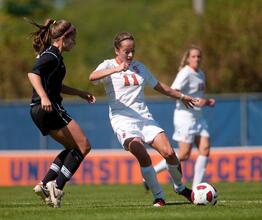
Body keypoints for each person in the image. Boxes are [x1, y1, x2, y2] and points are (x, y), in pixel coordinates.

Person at [89, 32, 198, 207]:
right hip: (122, 120)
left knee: (169, 153)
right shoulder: (108, 65)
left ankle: (180, 187)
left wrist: (182, 96)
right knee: (142, 154)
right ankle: (159, 196)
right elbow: (92, 76)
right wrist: (116, 69)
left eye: (133, 51)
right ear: (117, 50)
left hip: (144, 118)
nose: (130, 55)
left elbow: (160, 86)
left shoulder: (140, 67)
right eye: (126, 51)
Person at [26, 18, 96, 208]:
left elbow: (56, 85)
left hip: (37, 110)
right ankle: (56, 187)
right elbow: (33, 74)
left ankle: (44, 184)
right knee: (84, 146)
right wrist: (44, 97)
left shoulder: (53, 55)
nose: (75, 43)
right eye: (73, 39)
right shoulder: (53, 55)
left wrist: (80, 93)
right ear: (64, 38)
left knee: (73, 148)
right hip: (48, 107)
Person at [151, 46, 216, 189]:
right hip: (184, 117)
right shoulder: (185, 73)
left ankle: (197, 188)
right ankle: (153, 172)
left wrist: (206, 101)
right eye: (193, 56)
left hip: (198, 117)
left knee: (205, 149)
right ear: (188, 58)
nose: (196, 59)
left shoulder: (201, 74)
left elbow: (197, 96)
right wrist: (196, 101)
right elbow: (174, 92)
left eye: (199, 56)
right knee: (184, 154)